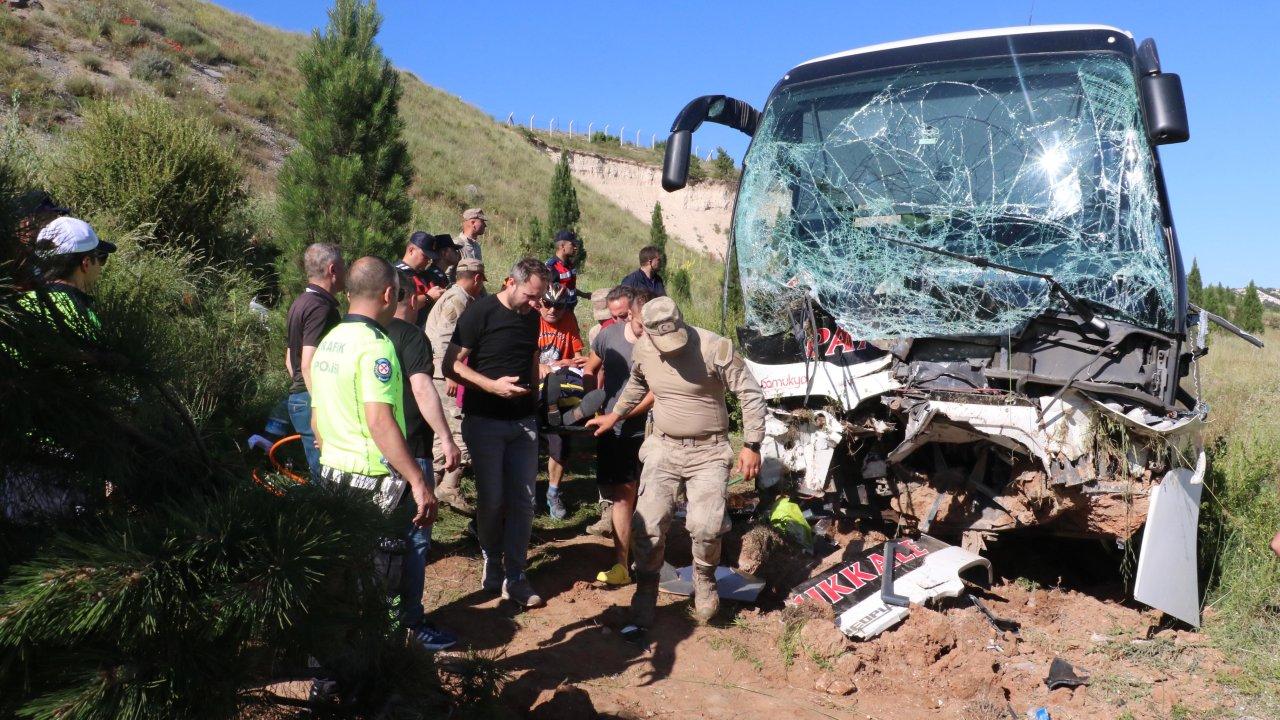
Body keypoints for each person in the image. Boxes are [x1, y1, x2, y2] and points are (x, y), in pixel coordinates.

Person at [587, 296, 766, 635]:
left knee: (707, 526)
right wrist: (615, 415)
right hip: (663, 447)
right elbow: (637, 383)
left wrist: (752, 444)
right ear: (647, 331)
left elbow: (750, 393)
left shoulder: (714, 347)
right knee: (648, 524)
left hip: (709, 451)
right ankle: (646, 590)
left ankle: (704, 578)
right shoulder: (644, 349)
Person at [310, 257, 446, 649]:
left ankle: (330, 667)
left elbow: (317, 421)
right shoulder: (376, 346)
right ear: (389, 294)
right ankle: (378, 660)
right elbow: (380, 421)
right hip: (374, 483)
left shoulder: (329, 341)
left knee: (340, 580)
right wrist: (418, 480)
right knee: (379, 582)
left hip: (333, 475)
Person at [443, 258, 551, 608]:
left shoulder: (531, 316)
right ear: (511, 283)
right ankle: (491, 556)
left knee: (524, 501)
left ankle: (516, 575)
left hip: (523, 422)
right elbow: (450, 365)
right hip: (485, 420)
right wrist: (491, 386)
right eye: (531, 295)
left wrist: (536, 400)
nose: (536, 303)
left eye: (540, 296)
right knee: (492, 500)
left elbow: (531, 357)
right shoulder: (480, 312)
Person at [384, 269, 463, 649]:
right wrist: (446, 438)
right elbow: (421, 389)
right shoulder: (412, 336)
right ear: (408, 298)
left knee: (377, 541)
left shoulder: (359, 334)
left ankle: (379, 619)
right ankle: (411, 622)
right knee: (415, 538)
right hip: (412, 449)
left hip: (366, 453)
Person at [582, 286, 654, 585]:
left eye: (624, 315)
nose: (620, 320)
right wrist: (592, 403)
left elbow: (654, 393)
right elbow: (590, 367)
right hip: (614, 429)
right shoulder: (608, 336)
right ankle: (622, 564)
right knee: (622, 495)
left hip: (648, 428)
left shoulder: (656, 340)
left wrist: (619, 415)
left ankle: (651, 559)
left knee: (648, 496)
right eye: (615, 316)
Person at [424, 258, 487, 513]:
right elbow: (443, 338)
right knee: (458, 429)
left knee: (444, 433)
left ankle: (433, 489)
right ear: (476, 278)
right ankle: (447, 487)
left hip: (442, 372)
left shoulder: (457, 296)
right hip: (445, 375)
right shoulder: (457, 299)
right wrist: (450, 372)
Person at [285, 243, 344, 479]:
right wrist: (320, 407)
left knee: (321, 474)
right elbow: (307, 363)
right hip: (313, 402)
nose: (346, 272)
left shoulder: (300, 302)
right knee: (327, 478)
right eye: (344, 266)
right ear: (332, 269)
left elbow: (290, 359)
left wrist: (301, 390)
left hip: (301, 397)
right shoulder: (320, 307)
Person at [536, 282, 587, 520]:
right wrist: (538, 365)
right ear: (540, 303)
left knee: (560, 441)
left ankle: (553, 492)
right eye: (548, 304)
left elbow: (577, 356)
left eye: (558, 306)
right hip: (534, 381)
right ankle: (526, 495)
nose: (552, 310)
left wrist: (569, 362)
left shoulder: (569, 320)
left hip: (561, 379)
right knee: (527, 442)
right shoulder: (530, 319)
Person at [395, 231, 458, 325]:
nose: (428, 261)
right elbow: (401, 306)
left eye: (429, 258)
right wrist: (429, 297)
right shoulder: (397, 274)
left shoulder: (424, 275)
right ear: (411, 250)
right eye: (425, 256)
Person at [546, 230, 590, 308]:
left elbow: (570, 288)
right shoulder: (551, 267)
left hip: (569, 309)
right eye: (572, 244)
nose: (575, 248)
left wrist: (585, 295)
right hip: (556, 311)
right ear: (562, 246)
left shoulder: (570, 265)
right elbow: (545, 291)